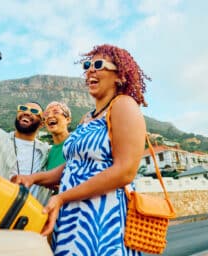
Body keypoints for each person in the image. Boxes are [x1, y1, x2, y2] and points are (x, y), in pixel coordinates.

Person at [11, 44, 150, 255]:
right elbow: (73, 166)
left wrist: (62, 198)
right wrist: (33, 178)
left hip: (101, 218)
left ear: (119, 76)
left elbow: (125, 171)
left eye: (98, 64)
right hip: (72, 216)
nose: (90, 70)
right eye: (87, 65)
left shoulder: (124, 105)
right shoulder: (87, 118)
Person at [44, 101, 71, 170]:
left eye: (56, 112)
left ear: (67, 119)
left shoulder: (78, 144)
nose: (49, 116)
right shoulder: (46, 154)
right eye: (46, 114)